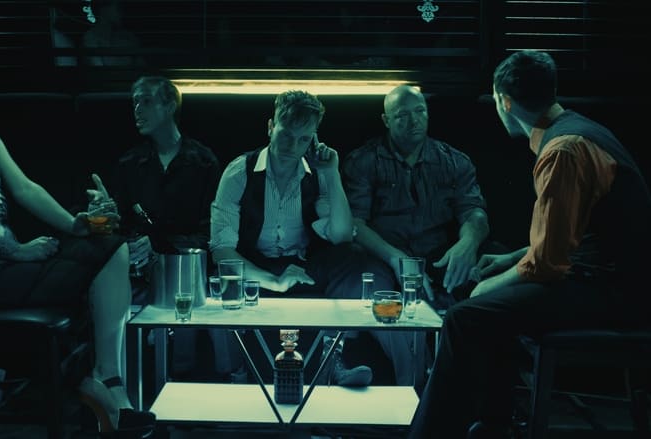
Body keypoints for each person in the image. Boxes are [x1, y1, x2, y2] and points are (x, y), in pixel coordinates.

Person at [0, 38, 155, 435]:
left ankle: (103, 378)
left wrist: (75, 224)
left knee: (109, 244)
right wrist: (16, 251)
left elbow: (26, 189)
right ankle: (95, 386)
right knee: (103, 256)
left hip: (7, 267)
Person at [408, 50, 651, 438]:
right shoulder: (580, 131)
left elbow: (548, 263)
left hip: (613, 293)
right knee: (487, 304)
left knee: (465, 315)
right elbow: (571, 236)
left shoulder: (563, 151)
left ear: (505, 102)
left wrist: (490, 286)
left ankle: (433, 434)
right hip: (612, 281)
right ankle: (493, 422)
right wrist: (511, 258)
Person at [210, 89, 397, 387]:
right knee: (223, 275)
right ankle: (237, 371)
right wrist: (273, 281)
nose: (293, 147)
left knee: (353, 258)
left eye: (304, 139)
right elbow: (221, 250)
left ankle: (334, 359)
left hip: (304, 265)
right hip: (254, 265)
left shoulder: (317, 173)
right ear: (270, 127)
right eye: (286, 135)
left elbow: (341, 236)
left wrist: (332, 174)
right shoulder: (239, 172)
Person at [341, 84, 494, 388]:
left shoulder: (453, 161)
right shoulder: (364, 161)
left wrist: (468, 243)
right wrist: (396, 259)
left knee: (482, 290)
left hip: (436, 258)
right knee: (382, 303)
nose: (414, 122)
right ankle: (412, 387)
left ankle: (477, 394)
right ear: (386, 120)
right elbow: (354, 225)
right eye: (402, 116)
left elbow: (474, 212)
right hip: (382, 259)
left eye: (420, 112)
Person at [112, 76, 243, 381]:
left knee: (189, 289)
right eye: (135, 102)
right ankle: (152, 381)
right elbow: (121, 223)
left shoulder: (204, 162)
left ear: (170, 106)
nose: (137, 110)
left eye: (146, 101)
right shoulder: (129, 163)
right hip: (143, 271)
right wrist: (131, 242)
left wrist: (162, 246)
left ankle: (203, 378)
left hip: (191, 267)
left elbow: (212, 231)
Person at [81, 0, 145, 67]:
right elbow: (98, 70)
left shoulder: (128, 37)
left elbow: (141, 67)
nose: (121, 12)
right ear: (104, 9)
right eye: (118, 7)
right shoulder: (90, 38)